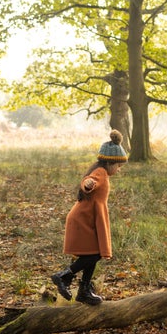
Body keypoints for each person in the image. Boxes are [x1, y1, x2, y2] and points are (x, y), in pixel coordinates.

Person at [51, 130, 127, 305]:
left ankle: (84, 290)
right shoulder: (100, 173)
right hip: (82, 220)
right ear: (110, 162)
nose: (119, 169)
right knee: (93, 255)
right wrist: (87, 184)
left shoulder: (103, 172)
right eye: (118, 166)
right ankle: (64, 276)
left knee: (94, 253)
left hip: (87, 219)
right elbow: (88, 182)